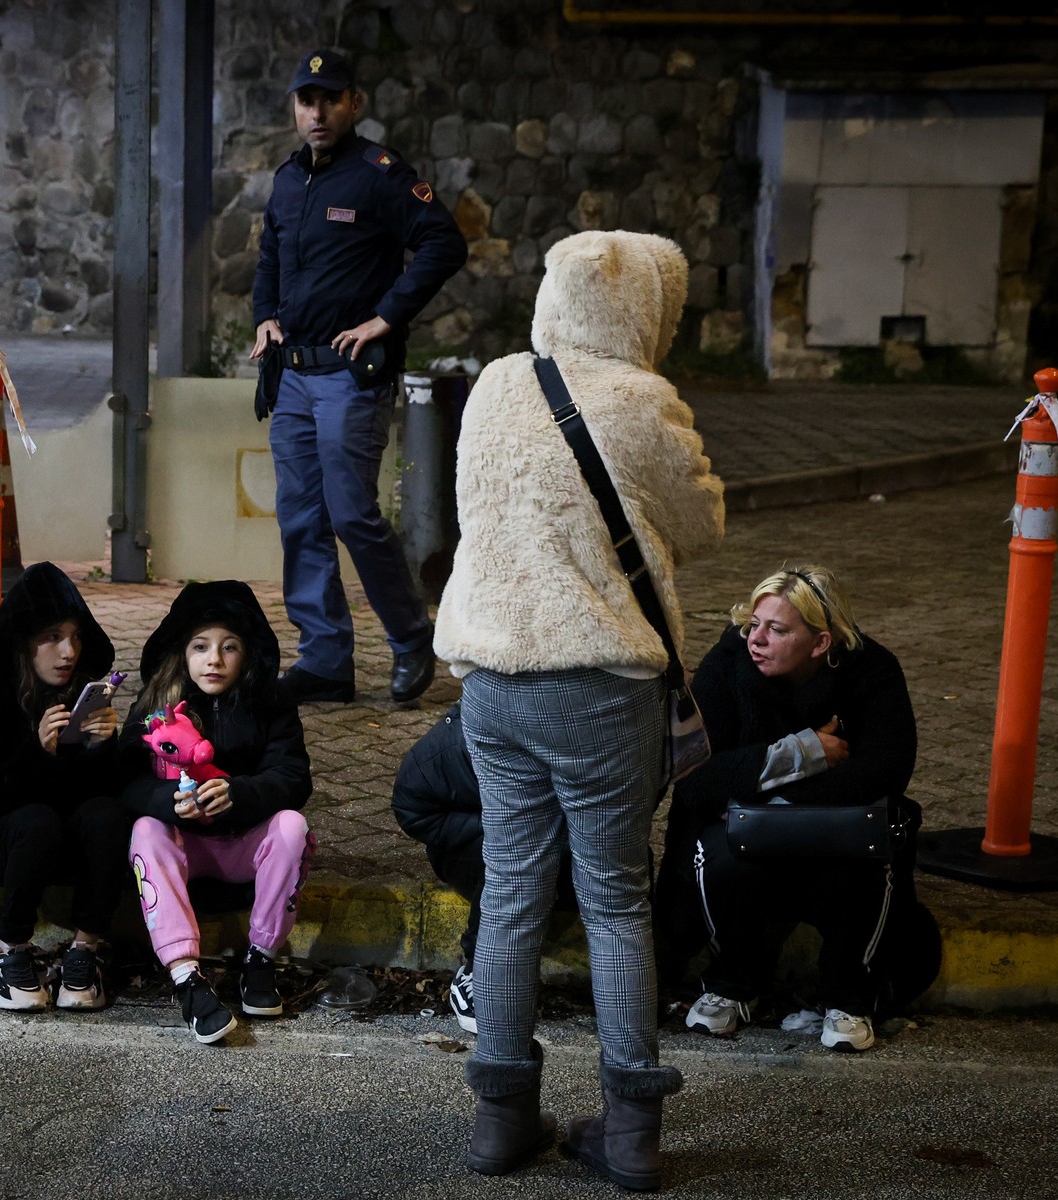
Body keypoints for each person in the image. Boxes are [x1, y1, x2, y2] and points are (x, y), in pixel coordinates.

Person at [434, 230, 725, 1190]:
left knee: (512, 892)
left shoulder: (493, 386)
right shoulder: (644, 403)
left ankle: (499, 1122)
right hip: (597, 684)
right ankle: (632, 1128)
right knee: (611, 898)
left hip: (492, 679)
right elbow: (702, 525)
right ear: (645, 311)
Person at [249, 48, 468, 706]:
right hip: (292, 375)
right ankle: (324, 659)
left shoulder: (379, 175)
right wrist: (264, 318)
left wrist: (386, 316)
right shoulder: (288, 181)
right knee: (300, 518)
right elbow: (268, 259)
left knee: (351, 513)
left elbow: (443, 242)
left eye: (330, 99)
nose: (316, 112)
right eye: (306, 100)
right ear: (295, 108)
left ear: (355, 105)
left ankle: (410, 639)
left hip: (350, 377)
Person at [667, 565, 927, 1054]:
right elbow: (692, 775)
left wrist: (762, 791)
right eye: (753, 625)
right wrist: (804, 754)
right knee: (716, 856)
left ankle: (849, 996)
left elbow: (885, 774)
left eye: (778, 629)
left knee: (870, 852)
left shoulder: (873, 669)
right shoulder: (728, 663)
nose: (757, 639)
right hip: (748, 834)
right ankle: (733, 984)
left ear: (821, 643)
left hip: (830, 829)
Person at [119, 581, 315, 1044]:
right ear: (182, 653)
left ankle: (261, 959)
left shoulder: (271, 700)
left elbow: (293, 777)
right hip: (186, 848)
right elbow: (122, 778)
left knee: (293, 827)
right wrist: (166, 802)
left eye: (230, 648)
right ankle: (187, 978)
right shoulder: (155, 705)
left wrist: (240, 793)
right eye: (201, 647)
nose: (215, 659)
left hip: (243, 845)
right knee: (146, 829)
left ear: (247, 654)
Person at [0, 562, 133, 1013]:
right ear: (25, 644)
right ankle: (8, 950)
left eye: (74, 636)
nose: (67, 651)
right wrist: (37, 752)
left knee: (108, 813)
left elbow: (101, 797)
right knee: (36, 821)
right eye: (51, 638)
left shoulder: (82, 693)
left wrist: (102, 747)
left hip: (55, 839)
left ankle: (85, 952)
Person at [390, 702, 576, 1036]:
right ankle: (479, 970)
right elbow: (411, 807)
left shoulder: (601, 733)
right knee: (512, 851)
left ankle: (622, 989)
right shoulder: (457, 742)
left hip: (565, 843)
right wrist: (497, 826)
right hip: (475, 845)